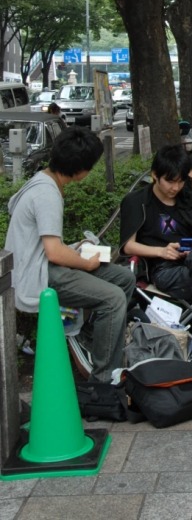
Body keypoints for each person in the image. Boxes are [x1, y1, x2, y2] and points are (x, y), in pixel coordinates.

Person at [5, 127, 136, 383]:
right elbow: (54, 253)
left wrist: (77, 247)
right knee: (114, 298)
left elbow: (49, 244)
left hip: (42, 263)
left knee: (124, 278)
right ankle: (103, 379)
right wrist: (86, 263)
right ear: (80, 169)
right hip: (39, 273)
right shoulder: (47, 194)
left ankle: (91, 335)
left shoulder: (44, 179)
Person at [120, 145, 192, 383]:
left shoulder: (187, 199)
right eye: (169, 181)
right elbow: (127, 246)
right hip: (164, 270)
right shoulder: (137, 201)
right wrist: (161, 251)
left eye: (180, 182)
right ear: (155, 175)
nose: (175, 188)